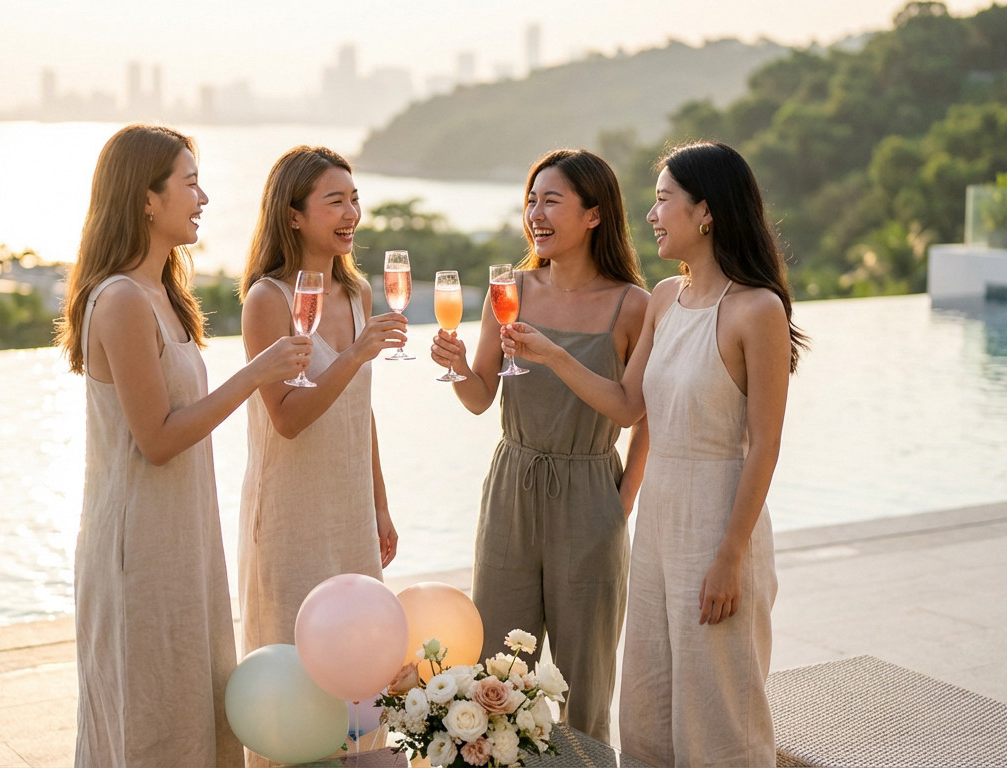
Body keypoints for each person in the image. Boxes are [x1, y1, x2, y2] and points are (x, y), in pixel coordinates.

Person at [503, 140, 809, 766]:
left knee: (719, 708)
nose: (651, 215)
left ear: (707, 211)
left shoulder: (758, 310)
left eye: (664, 200)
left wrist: (730, 557)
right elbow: (625, 405)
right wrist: (552, 356)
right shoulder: (667, 297)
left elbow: (765, 446)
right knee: (646, 707)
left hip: (720, 521)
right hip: (658, 525)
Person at [58, 124, 310, 767]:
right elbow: (158, 439)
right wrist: (255, 374)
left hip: (182, 538)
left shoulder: (164, 294)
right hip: (139, 551)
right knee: (152, 722)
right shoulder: (120, 299)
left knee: (192, 711)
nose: (203, 198)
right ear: (146, 198)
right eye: (190, 183)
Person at [429, 148, 649, 743]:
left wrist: (622, 500)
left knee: (585, 682)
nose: (536, 214)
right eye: (531, 200)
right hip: (512, 486)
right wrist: (456, 366)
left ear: (594, 215)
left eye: (552, 201)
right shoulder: (511, 290)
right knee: (497, 676)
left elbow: (635, 411)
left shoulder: (633, 305)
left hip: (591, 493)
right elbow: (480, 397)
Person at [238, 145, 405, 657]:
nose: (351, 213)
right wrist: (354, 354)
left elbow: (359, 411)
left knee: (361, 662)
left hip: (350, 513)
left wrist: (379, 505)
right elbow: (286, 419)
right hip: (292, 515)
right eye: (335, 201)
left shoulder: (358, 295)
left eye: (354, 199)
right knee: (291, 663)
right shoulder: (268, 299)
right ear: (293, 215)